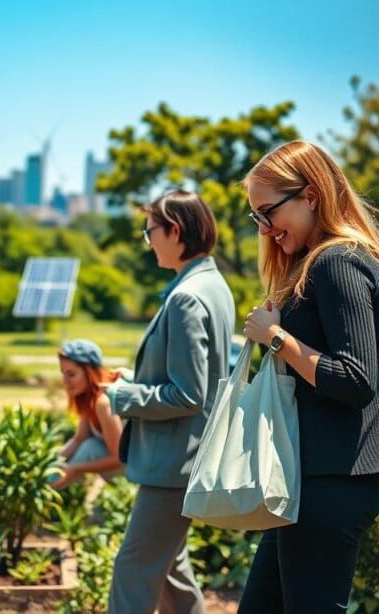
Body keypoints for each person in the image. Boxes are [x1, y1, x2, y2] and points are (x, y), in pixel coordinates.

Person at [240, 140, 379, 612]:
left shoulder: (338, 261)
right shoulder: (316, 263)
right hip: (310, 477)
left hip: (334, 478)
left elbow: (356, 379)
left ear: (311, 196)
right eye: (255, 217)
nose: (263, 228)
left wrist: (276, 337)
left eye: (268, 212)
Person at [105, 190, 235, 614]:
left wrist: (125, 395)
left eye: (150, 232)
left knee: (133, 572)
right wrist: (138, 378)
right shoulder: (213, 285)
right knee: (173, 576)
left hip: (173, 465)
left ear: (175, 231)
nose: (149, 242)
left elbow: (188, 394)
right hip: (188, 458)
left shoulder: (185, 297)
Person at [53, 339, 125, 488]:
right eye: (63, 374)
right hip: (120, 467)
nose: (65, 381)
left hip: (135, 472)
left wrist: (74, 469)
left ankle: (49, 492)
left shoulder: (103, 403)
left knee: (90, 448)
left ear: (90, 372)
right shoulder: (89, 398)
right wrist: (50, 462)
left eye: (71, 375)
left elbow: (118, 458)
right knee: (86, 446)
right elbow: (79, 438)